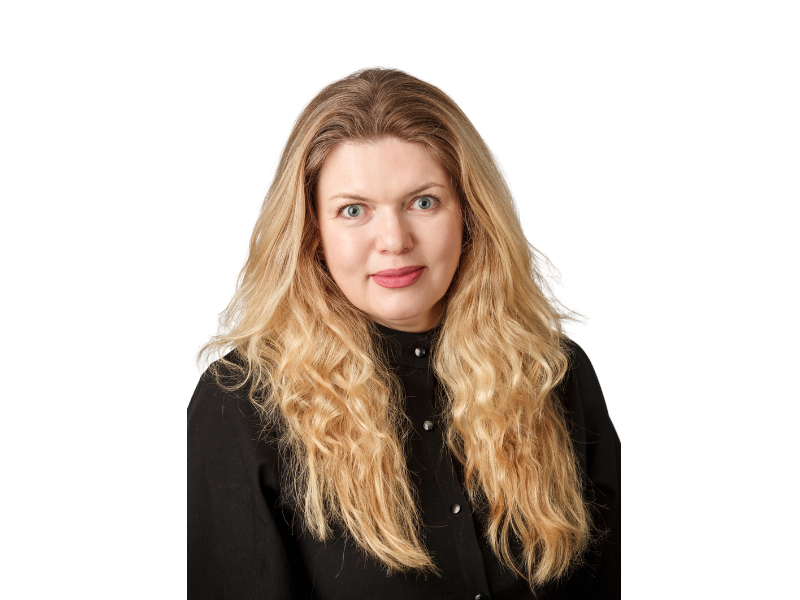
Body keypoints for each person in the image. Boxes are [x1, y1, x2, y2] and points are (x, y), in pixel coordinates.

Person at [188, 68, 620, 599]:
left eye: (423, 202)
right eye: (353, 210)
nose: (393, 240)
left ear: (470, 214)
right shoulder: (238, 404)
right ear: (312, 231)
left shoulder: (553, 372)